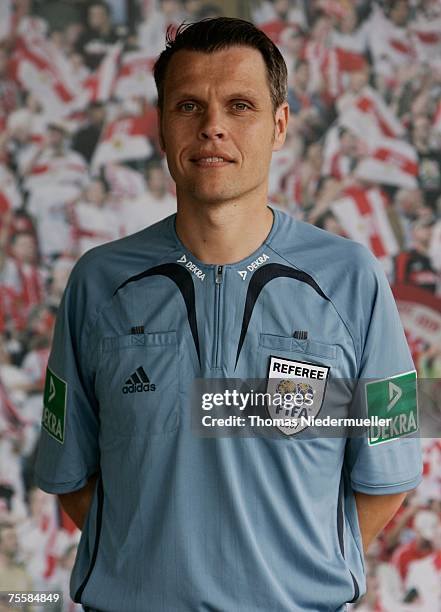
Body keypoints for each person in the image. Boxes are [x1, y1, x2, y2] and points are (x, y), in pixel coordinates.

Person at [34, 18, 422, 611]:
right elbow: (71, 476)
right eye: (188, 105)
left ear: (280, 125)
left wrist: (290, 579)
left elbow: (387, 472)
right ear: (162, 128)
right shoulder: (98, 282)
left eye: (239, 105)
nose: (212, 126)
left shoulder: (354, 279)